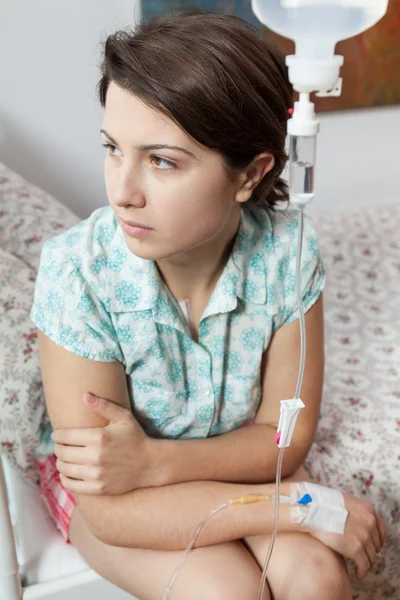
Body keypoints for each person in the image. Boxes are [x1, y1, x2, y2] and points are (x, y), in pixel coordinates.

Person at [31, 10, 385, 600]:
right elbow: (112, 508)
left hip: (195, 465)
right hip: (118, 500)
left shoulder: (286, 255)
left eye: (162, 160)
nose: (122, 191)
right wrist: (301, 506)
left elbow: (283, 438)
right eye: (113, 148)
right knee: (226, 592)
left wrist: (153, 461)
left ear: (251, 174)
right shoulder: (77, 274)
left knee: (319, 578)